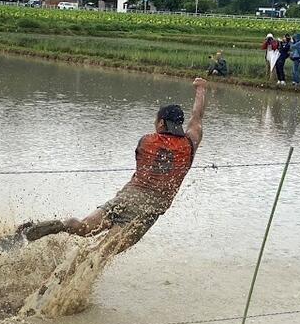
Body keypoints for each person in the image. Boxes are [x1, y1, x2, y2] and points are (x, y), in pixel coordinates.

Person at [17, 78, 208, 255]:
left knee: (83, 227)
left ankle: (40, 229)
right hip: (145, 213)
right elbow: (197, 118)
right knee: (100, 253)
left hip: (125, 198)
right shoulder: (189, 144)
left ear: (161, 123)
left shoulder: (147, 141)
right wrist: (201, 89)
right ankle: (56, 280)